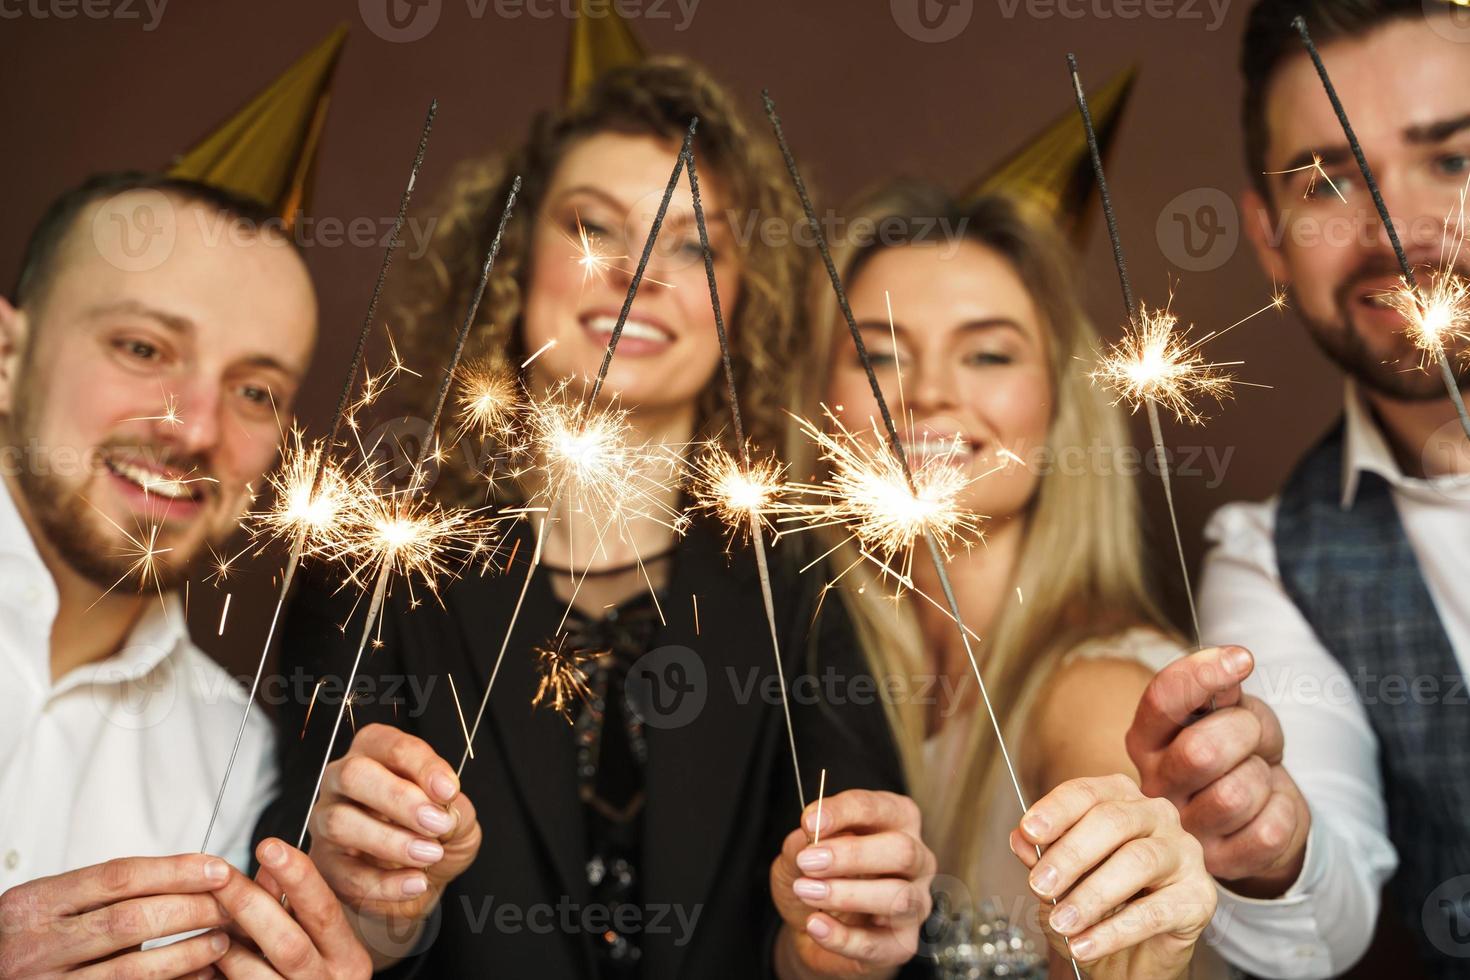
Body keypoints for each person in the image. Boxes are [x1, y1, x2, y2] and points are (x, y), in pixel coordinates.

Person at [255, 59, 938, 978]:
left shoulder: (803, 585)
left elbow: (863, 941)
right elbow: (295, 930)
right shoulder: (371, 569)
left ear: (745, 302)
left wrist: (834, 951)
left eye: (696, 247)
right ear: (512, 258)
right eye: (592, 227)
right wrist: (378, 917)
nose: (637, 271)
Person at [794, 182, 1224, 978]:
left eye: (988, 353)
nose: (926, 393)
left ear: (1062, 406)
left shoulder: (1099, 688)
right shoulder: (818, 677)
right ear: (820, 403)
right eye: (879, 353)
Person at [1123, 1, 1470, 977]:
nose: (1400, 231)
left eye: (1454, 159)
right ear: (1271, 238)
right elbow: (1320, 924)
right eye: (1327, 180)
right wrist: (1266, 847)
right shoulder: (1274, 561)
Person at [0, 173, 371, 977]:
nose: (196, 427)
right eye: (143, 349)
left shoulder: (241, 769)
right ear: (7, 355)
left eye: (254, 391)